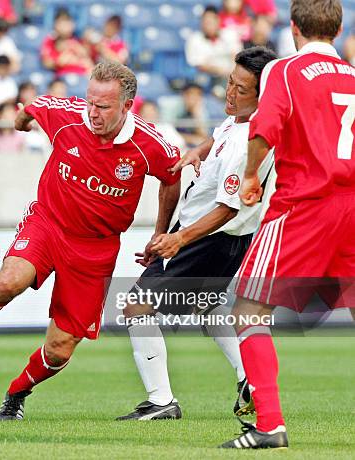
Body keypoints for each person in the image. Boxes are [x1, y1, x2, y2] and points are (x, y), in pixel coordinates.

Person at [0, 60, 182, 420]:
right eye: (90, 101)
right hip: (49, 223)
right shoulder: (68, 116)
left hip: (96, 248)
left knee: (59, 350)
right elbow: (32, 109)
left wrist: (160, 232)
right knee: (10, 281)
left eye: (103, 106)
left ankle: (16, 393)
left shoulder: (150, 144)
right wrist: (22, 121)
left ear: (126, 106)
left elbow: (171, 177)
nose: (93, 112)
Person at [117, 46, 277, 422]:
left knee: (137, 306)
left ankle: (161, 402)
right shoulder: (241, 122)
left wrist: (178, 239)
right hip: (221, 239)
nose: (230, 93)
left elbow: (228, 207)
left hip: (208, 238)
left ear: (261, 96)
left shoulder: (245, 143)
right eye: (229, 83)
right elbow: (222, 134)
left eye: (241, 89)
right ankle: (248, 378)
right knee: (207, 307)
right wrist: (197, 150)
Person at [221, 0, 354, 449]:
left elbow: (265, 127)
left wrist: (253, 175)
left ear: (294, 27)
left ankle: (270, 425)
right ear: (337, 29)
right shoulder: (354, 76)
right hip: (352, 203)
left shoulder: (284, 70)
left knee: (249, 309)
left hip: (305, 203)